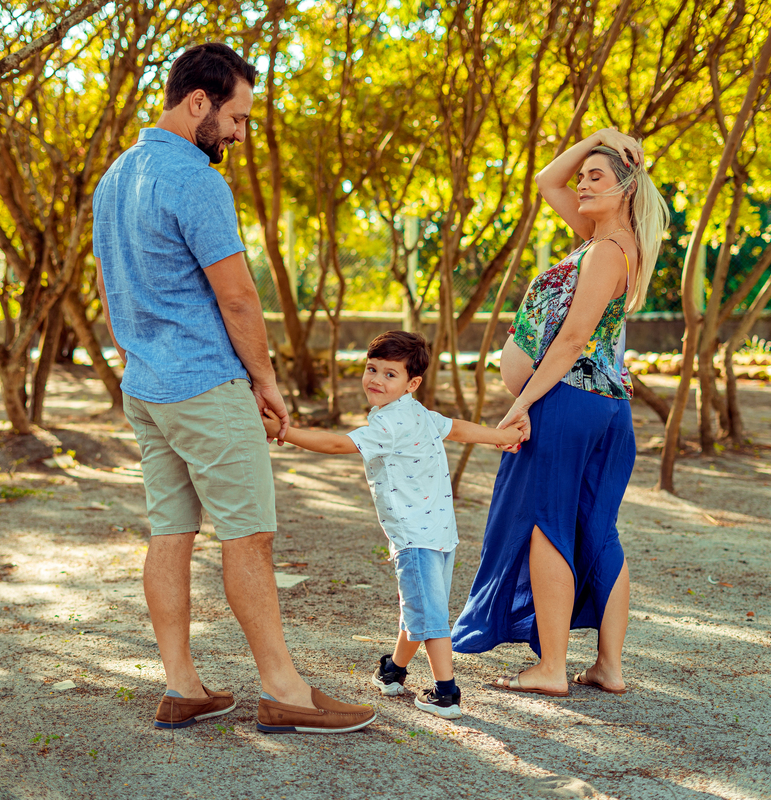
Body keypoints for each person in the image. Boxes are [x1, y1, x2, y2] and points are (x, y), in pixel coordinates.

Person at [92, 42, 375, 735]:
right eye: (238, 118)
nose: (242, 134)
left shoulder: (116, 177)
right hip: (206, 388)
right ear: (199, 104)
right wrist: (266, 380)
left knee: (170, 532)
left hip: (148, 385)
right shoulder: (194, 179)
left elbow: (107, 288)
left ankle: (182, 685)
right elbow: (239, 297)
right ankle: (285, 692)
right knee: (248, 537)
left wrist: (140, 352)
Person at [450, 128, 670, 697]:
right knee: (597, 529)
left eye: (596, 177)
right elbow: (547, 180)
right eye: (585, 176)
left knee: (546, 525)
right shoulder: (612, 242)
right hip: (604, 407)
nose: (580, 182)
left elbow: (572, 340)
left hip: (568, 402)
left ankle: (551, 669)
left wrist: (520, 402)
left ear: (626, 189)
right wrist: (598, 138)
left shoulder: (604, 251)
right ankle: (609, 667)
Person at [261, 331, 523, 719]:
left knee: (430, 616)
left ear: (411, 383)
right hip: (439, 534)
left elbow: (337, 445)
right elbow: (460, 428)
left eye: (390, 374)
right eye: (371, 369)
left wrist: (283, 432)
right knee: (418, 606)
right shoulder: (416, 413)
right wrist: (501, 436)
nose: (376, 380)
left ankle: (446, 693)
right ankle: (394, 672)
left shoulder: (391, 424)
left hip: (415, 536)